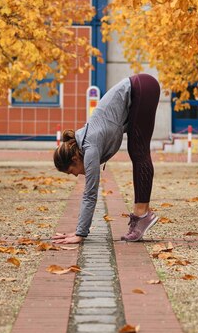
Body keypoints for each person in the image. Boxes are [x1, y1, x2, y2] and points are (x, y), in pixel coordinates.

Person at [52, 73, 161, 244]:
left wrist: (80, 233)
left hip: (141, 88)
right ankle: (143, 214)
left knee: (138, 151)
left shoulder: (90, 146)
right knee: (137, 150)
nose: (76, 175)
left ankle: (142, 215)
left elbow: (90, 193)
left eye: (72, 172)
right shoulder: (87, 141)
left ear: (74, 158)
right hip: (141, 88)